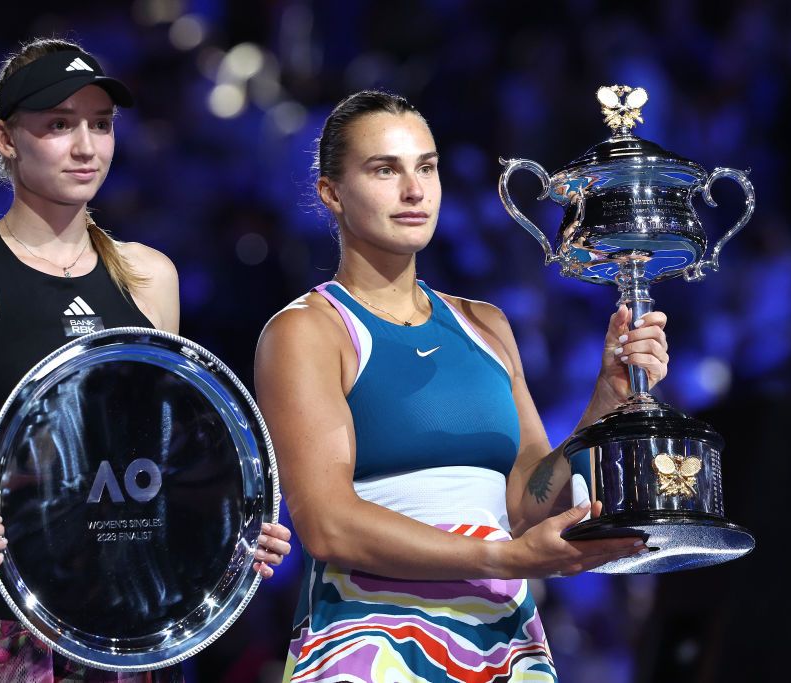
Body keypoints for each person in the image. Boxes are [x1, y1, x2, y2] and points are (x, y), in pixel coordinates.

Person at [0, 37, 292, 682]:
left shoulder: (151, 278)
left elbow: (155, 464)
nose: (86, 146)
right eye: (58, 126)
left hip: (135, 635)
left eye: (101, 125)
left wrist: (230, 530)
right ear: (6, 138)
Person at [254, 90, 669, 682]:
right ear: (331, 192)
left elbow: (527, 502)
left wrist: (608, 398)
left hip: (502, 643)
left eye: (426, 166)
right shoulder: (307, 331)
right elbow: (328, 525)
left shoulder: (486, 324)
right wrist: (504, 557)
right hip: (374, 647)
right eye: (385, 169)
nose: (414, 190)